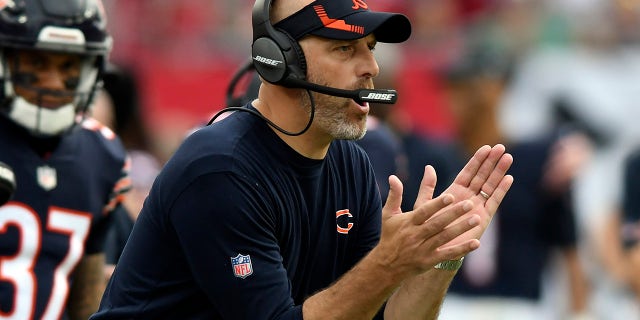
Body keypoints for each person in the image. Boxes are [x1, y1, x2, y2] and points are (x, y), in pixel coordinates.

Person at [92, 0, 513, 319]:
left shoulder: (351, 163)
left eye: (370, 47)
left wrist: (442, 252)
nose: (372, 68)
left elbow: (376, 313)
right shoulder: (220, 168)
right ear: (279, 61)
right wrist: (389, 262)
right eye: (345, 50)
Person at [434, 39, 592, 319]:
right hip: (451, 305)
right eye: (454, 89)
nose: (457, 100)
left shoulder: (538, 159)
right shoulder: (438, 159)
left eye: (468, 88)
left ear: (497, 87)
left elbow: (569, 246)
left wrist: (581, 314)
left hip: (522, 307)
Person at [0, 1, 130, 319]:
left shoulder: (103, 154)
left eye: (69, 66)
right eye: (37, 62)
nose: (55, 83)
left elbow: (86, 294)